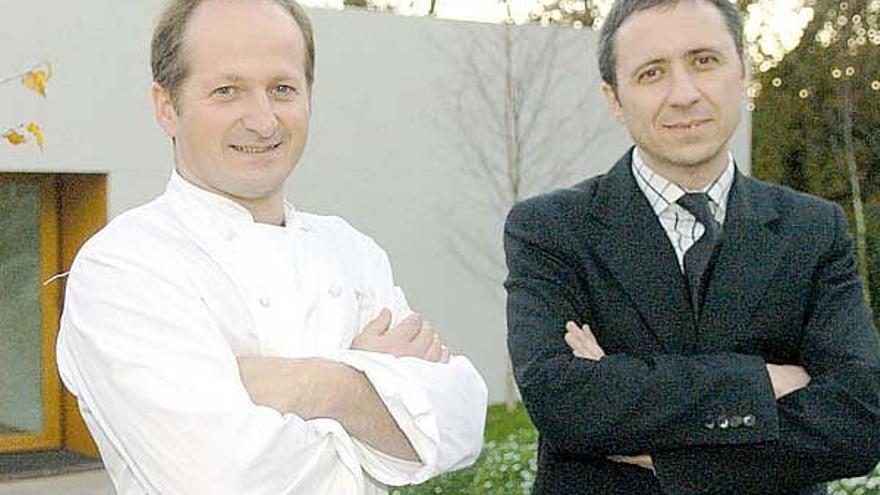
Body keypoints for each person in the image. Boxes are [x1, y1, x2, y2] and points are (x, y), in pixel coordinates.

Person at [56, 0, 487, 493]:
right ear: (167, 106)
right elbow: (222, 479)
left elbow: (461, 425)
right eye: (227, 90)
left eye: (282, 89)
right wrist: (379, 411)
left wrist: (327, 386)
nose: (262, 121)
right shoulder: (124, 267)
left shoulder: (351, 251)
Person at [504, 0, 880, 493]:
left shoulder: (813, 230)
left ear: (742, 72)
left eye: (704, 60)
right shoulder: (550, 229)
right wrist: (764, 382)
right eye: (651, 72)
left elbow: (860, 418)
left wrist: (662, 448)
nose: (683, 94)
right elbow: (564, 400)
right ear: (614, 99)